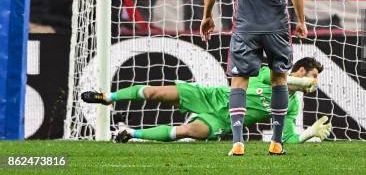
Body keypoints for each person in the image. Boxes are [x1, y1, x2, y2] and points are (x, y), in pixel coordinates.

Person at [200, 0, 307, 156]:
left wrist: (207, 16)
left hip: (245, 25)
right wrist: (301, 20)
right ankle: (277, 141)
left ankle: (238, 141)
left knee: (239, 81)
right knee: (279, 78)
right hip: (276, 25)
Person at [81, 57, 330, 144]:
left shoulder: (292, 106)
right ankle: (106, 97)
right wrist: (302, 83)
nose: (315, 82)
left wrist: (311, 133)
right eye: (314, 76)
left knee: (191, 130)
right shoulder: (272, 73)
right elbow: (281, 81)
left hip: (222, 118)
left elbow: (288, 140)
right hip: (211, 96)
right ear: (300, 71)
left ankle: (130, 134)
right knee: (156, 92)